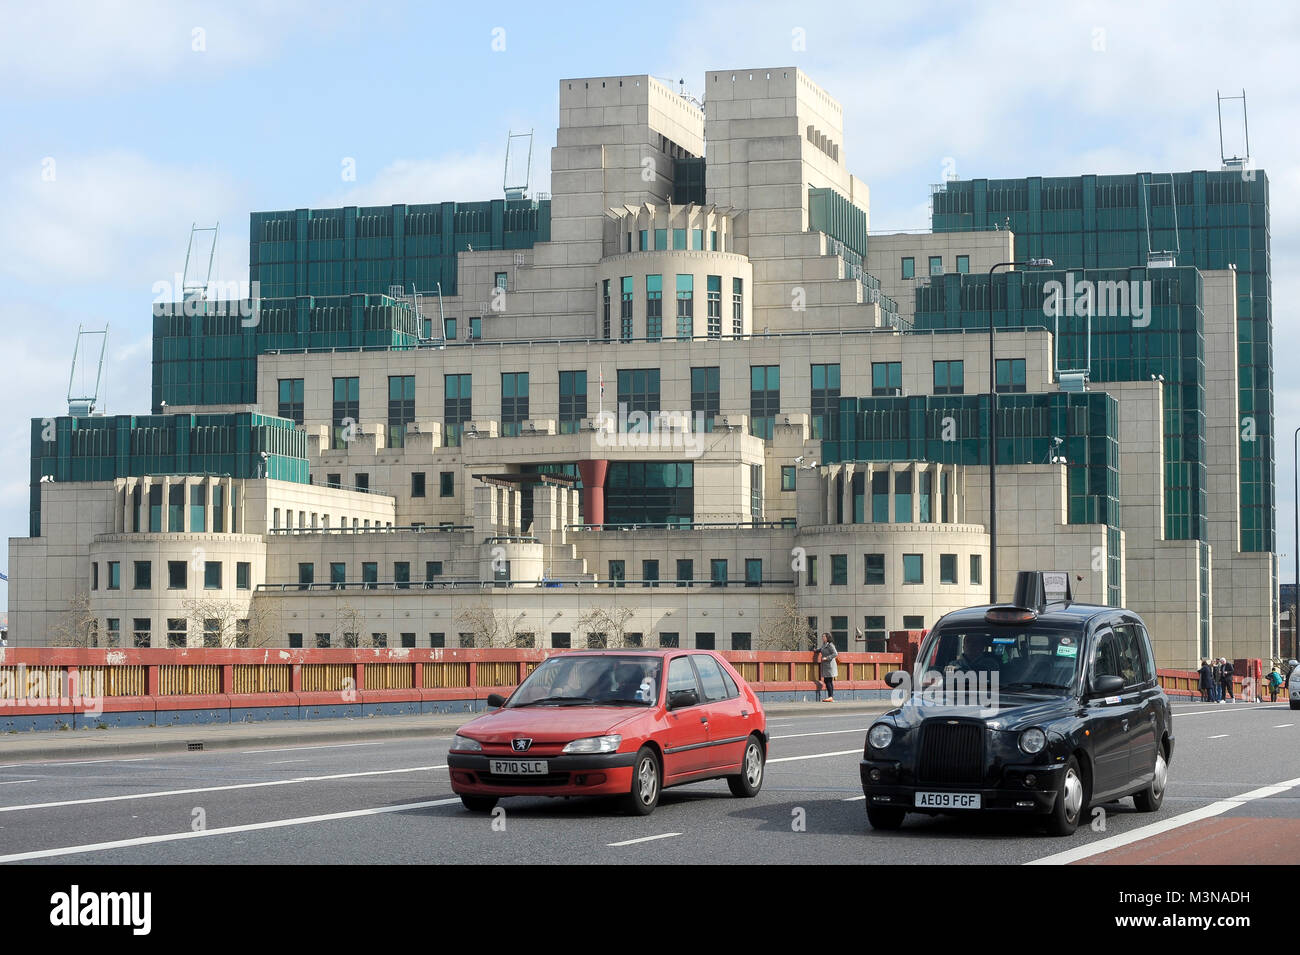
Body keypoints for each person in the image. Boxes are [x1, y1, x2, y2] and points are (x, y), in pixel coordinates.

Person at [817, 632, 839, 702]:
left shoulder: (830, 645)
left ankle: (830, 696)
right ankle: (830, 697)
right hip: (826, 666)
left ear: (827, 638)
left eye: (824, 637)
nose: (823, 638)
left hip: (830, 665)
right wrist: (816, 650)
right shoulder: (824, 645)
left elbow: (835, 653)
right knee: (827, 681)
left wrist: (827, 658)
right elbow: (821, 649)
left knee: (828, 681)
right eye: (822, 637)